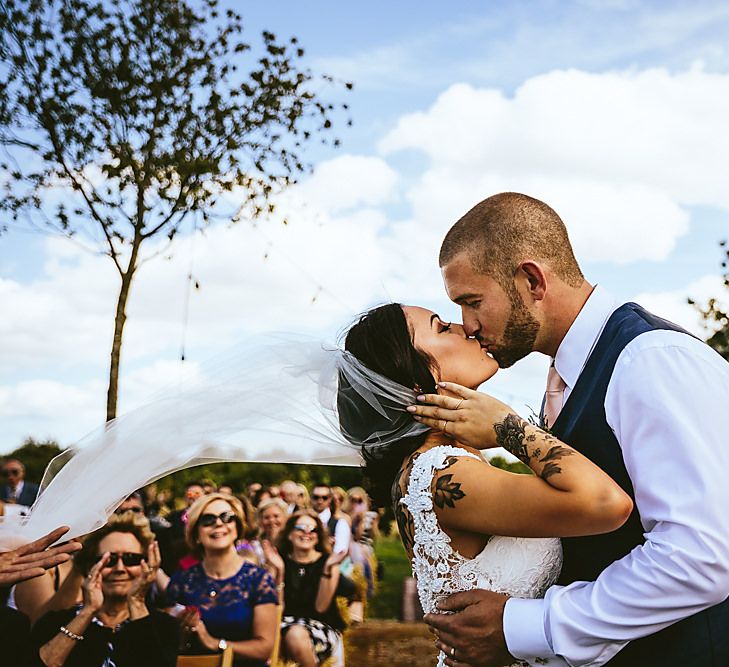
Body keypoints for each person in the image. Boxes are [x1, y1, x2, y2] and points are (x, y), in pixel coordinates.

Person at [410, 192, 729, 667]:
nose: (468, 325)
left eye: (473, 302)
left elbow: (699, 556)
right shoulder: (565, 378)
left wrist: (528, 626)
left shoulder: (649, 359)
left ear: (532, 280)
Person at [339, 300, 632, 667]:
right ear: (415, 380)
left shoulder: (432, 467)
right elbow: (607, 504)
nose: (465, 328)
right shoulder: (443, 474)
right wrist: (505, 426)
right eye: (442, 327)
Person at [29, 513, 177, 667]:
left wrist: (136, 602)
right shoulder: (55, 622)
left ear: (145, 565)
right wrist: (88, 611)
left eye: (131, 559)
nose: (120, 568)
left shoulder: (164, 626)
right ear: (89, 566)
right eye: (109, 560)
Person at [164, 492, 278, 666]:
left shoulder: (258, 579)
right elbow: (170, 645)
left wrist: (215, 643)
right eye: (207, 520)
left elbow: (264, 648)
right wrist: (184, 632)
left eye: (227, 517)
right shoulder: (182, 581)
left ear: (238, 528)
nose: (218, 523)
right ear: (196, 533)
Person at [263, 510, 354, 667]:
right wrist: (279, 571)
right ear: (289, 534)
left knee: (295, 635)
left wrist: (327, 569)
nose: (307, 533)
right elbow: (275, 608)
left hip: (319, 625)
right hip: (282, 622)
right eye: (301, 528)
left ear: (318, 537)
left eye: (313, 530)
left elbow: (321, 608)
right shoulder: (278, 560)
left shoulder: (328, 562)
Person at [310, 483, 350, 555]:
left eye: (324, 498)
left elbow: (340, 553)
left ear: (330, 499)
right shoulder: (301, 520)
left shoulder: (340, 524)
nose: (320, 501)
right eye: (316, 497)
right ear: (311, 498)